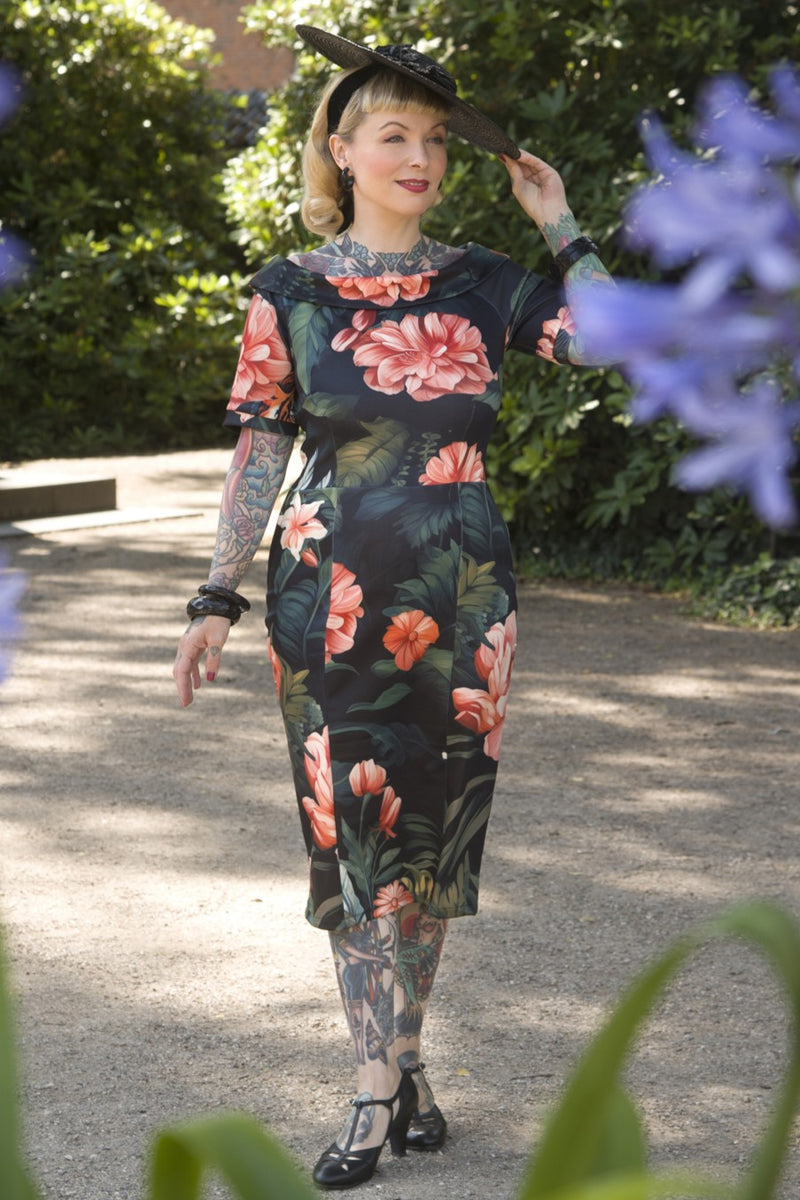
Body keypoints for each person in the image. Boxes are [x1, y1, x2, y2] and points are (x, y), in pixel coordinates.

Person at [173, 23, 613, 1191]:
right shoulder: (287, 293)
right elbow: (260, 452)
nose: (417, 156)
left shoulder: (482, 284)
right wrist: (216, 594)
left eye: (432, 139)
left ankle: (402, 1061)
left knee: (432, 840)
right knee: (352, 840)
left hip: (465, 597)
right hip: (325, 601)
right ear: (342, 150)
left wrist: (558, 224)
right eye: (391, 135)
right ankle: (376, 1085)